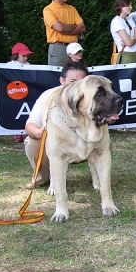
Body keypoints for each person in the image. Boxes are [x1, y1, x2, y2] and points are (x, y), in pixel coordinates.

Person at [23, 61, 89, 189]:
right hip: (56, 142)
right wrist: (39, 132)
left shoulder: (93, 98)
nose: (77, 86)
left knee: (103, 139)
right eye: (72, 81)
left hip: (83, 141)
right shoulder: (48, 95)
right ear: (62, 81)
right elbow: (30, 125)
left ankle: (99, 179)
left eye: (82, 81)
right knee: (32, 141)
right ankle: (42, 178)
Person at [43, 0, 86, 66]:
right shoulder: (48, 10)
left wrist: (64, 29)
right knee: (57, 76)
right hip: (58, 48)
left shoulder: (71, 9)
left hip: (74, 47)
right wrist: (74, 26)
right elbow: (59, 28)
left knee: (76, 75)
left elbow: (82, 28)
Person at [110, 0, 136, 64]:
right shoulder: (117, 21)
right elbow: (129, 43)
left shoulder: (129, 19)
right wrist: (134, 37)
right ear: (121, 6)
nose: (131, 7)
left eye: (131, 5)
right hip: (126, 55)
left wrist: (131, 38)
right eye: (128, 5)